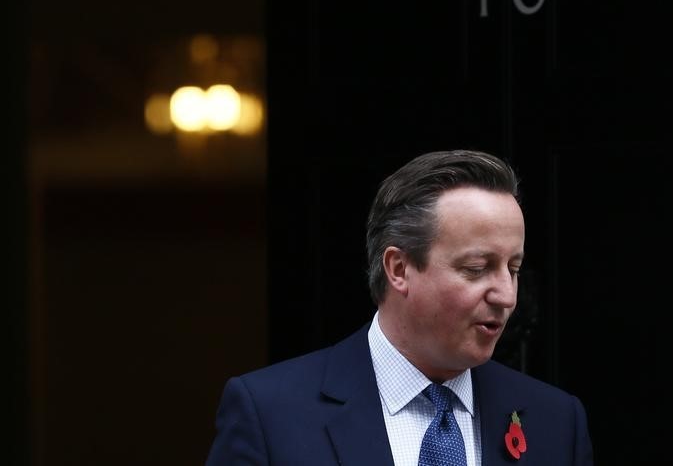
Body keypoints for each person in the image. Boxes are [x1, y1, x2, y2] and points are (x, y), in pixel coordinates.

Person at [206, 149, 593, 465]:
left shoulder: (556, 423)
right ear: (399, 269)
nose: (507, 296)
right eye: (477, 269)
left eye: (514, 269)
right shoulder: (271, 414)